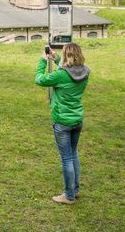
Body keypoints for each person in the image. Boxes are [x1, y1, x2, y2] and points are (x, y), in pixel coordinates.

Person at [35, 43, 90, 204]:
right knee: (74, 154)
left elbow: (40, 79)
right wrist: (57, 57)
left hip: (62, 121)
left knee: (66, 159)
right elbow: (70, 70)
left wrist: (43, 61)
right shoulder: (85, 72)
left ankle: (69, 195)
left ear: (67, 56)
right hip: (77, 120)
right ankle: (76, 189)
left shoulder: (60, 75)